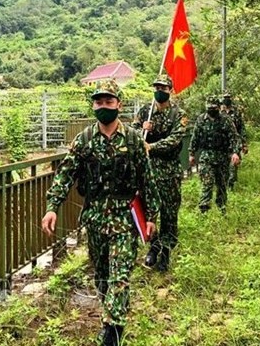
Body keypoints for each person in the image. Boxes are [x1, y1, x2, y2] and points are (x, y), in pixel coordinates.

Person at [41, 80, 160, 346]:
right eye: (98, 102)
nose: (103, 106)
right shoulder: (84, 140)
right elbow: (65, 175)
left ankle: (112, 332)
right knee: (102, 275)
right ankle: (112, 315)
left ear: (119, 104)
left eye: (108, 102)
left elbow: (147, 181)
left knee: (120, 275)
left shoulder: (132, 140)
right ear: (93, 105)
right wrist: (52, 207)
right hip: (94, 218)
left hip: (124, 218)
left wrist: (151, 216)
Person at [131, 75, 187, 272]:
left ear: (170, 90)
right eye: (156, 87)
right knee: (149, 212)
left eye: (163, 88)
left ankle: (166, 253)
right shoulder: (146, 111)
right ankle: (153, 248)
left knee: (169, 214)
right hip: (149, 170)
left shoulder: (178, 114)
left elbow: (175, 139)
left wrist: (151, 146)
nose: (159, 91)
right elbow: (132, 132)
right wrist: (141, 131)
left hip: (169, 171)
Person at [188, 96, 241, 214]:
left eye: (214, 107)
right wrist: (191, 153)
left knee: (222, 184)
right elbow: (195, 137)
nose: (211, 109)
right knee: (207, 183)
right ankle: (204, 210)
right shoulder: (201, 119)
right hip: (206, 157)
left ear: (218, 107)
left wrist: (235, 152)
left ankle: (221, 207)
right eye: (209, 107)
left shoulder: (226, 120)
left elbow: (234, 137)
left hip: (222, 157)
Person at [220, 92, 248, 189]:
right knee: (223, 167)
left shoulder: (236, 112)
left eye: (228, 97)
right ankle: (223, 186)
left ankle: (231, 187)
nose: (226, 99)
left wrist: (244, 143)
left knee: (233, 166)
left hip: (235, 142)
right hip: (222, 144)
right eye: (225, 97)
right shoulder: (219, 112)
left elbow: (242, 128)